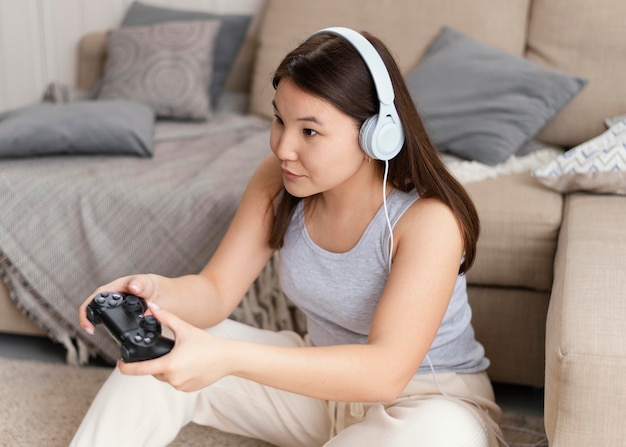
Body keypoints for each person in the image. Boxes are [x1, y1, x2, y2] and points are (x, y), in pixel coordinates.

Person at [71, 27, 503, 447]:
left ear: (377, 135)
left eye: (309, 131)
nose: (283, 148)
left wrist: (228, 358)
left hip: (428, 404)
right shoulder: (280, 179)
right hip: (322, 394)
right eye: (280, 120)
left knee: (438, 435)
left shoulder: (428, 220)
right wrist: (150, 292)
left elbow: (385, 371)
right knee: (168, 347)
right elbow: (215, 290)